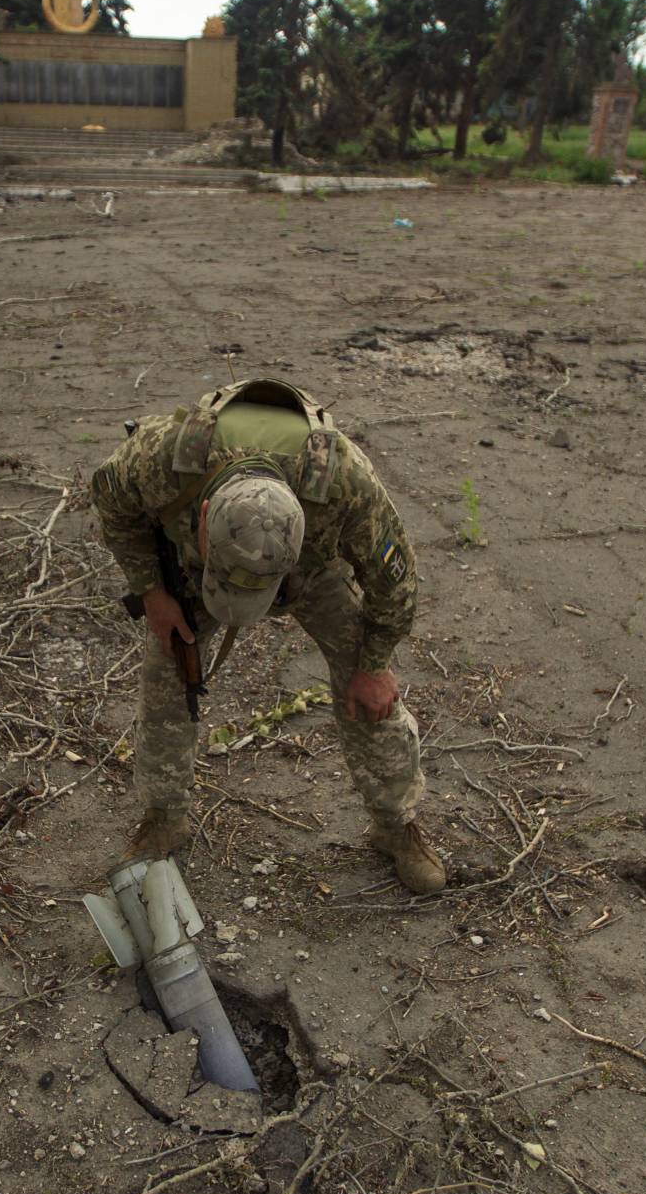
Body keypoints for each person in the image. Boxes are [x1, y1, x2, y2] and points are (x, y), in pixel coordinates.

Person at [90, 377, 445, 894]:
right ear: (205, 514)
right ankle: (165, 816)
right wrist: (152, 592)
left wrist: (374, 664)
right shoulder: (162, 457)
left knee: (371, 696)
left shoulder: (345, 484)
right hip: (194, 572)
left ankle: (395, 826)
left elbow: (396, 580)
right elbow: (112, 507)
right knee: (166, 675)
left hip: (310, 574)